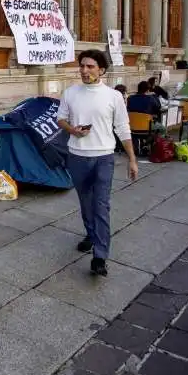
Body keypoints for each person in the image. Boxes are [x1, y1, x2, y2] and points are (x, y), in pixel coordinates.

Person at [57, 50, 138, 277]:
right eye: (82, 66)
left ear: (101, 70)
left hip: (104, 158)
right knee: (86, 202)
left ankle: (100, 256)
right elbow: (60, 118)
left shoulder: (113, 97)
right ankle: (91, 235)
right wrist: (72, 130)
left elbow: (123, 129)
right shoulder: (71, 93)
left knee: (101, 205)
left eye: (90, 66)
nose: (84, 71)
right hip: (77, 157)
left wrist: (132, 159)